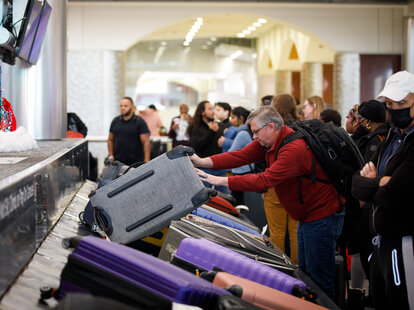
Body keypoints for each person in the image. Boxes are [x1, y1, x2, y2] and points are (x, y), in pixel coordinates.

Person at [191, 106, 344, 300]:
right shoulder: (269, 142)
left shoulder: (293, 148)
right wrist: (202, 161)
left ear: (270, 126)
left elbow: (265, 179)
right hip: (306, 214)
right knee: (306, 275)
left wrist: (221, 181)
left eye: (256, 131)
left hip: (321, 215)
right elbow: (240, 155)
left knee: (320, 279)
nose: (254, 137)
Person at [351, 71, 414, 310]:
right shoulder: (391, 135)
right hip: (380, 240)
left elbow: (397, 193)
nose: (395, 109)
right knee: (381, 300)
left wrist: (375, 185)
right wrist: (380, 182)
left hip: (404, 239)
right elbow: (357, 185)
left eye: (402, 104)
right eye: (390, 104)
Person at [266, 93, 299, 263]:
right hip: (296, 185)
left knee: (277, 232)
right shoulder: (301, 126)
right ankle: (299, 272)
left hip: (274, 184)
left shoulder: (271, 127)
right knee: (295, 233)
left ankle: (279, 269)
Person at [187, 100, 228, 194]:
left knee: (226, 197)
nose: (213, 111)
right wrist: (211, 132)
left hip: (219, 167)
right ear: (202, 112)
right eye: (209, 109)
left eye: (213, 108)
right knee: (204, 198)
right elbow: (197, 146)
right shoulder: (194, 128)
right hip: (203, 168)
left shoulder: (220, 126)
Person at [108, 97, 150, 165]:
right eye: (121, 106)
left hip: (135, 162)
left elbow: (146, 142)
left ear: (132, 107)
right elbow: (110, 140)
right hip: (118, 162)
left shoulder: (139, 122)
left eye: (125, 106)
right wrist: (111, 155)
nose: (123, 108)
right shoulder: (115, 121)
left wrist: (147, 161)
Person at [224, 106, 253, 205]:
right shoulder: (245, 130)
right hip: (246, 170)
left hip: (242, 171)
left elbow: (231, 152)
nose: (231, 120)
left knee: (238, 202)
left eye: (233, 117)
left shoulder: (242, 134)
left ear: (240, 118)